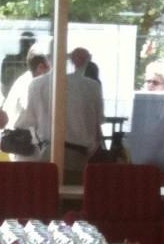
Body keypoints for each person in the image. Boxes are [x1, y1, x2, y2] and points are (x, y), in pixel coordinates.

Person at [15, 52, 104, 185]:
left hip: (47, 154)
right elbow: (98, 124)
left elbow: (28, 123)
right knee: (74, 201)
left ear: (49, 59)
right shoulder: (92, 87)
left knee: (46, 201)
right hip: (79, 157)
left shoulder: (37, 85)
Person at [2, 51, 48, 132]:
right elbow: (30, 113)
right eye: (49, 69)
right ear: (40, 67)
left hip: (19, 134)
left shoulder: (28, 80)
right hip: (19, 137)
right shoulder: (28, 84)